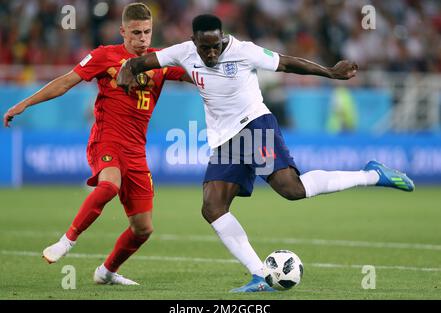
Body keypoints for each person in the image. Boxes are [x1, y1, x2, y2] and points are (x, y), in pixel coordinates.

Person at [117, 14, 415, 292]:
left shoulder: (243, 50)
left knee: (292, 190)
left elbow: (285, 63)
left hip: (254, 124)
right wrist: (125, 74)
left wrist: (329, 72)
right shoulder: (182, 51)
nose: (211, 54)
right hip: (224, 140)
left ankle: (371, 174)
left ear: (223, 38)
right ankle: (260, 274)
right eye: (205, 48)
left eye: (216, 46)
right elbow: (139, 64)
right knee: (213, 207)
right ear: (194, 43)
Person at [3, 3, 190, 285]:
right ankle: (67, 240)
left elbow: (198, 76)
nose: (142, 38)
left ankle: (106, 272)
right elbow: (66, 82)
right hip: (107, 140)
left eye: (147, 32)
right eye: (136, 32)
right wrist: (25, 103)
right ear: (122, 32)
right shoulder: (106, 55)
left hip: (137, 151)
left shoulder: (159, 61)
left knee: (143, 229)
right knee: (109, 185)